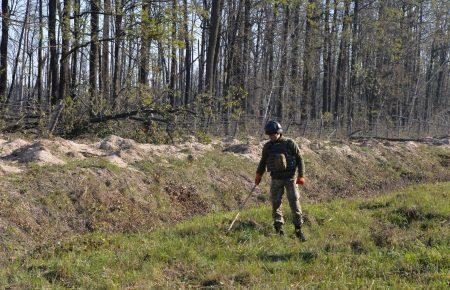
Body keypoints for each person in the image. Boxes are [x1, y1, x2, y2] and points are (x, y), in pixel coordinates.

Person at [255, 120, 306, 241]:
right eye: (270, 135)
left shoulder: (289, 143)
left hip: (290, 178)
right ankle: (279, 229)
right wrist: (258, 175)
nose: (272, 136)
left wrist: (301, 175)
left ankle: (298, 229)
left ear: (279, 132)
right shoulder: (268, 146)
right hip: (276, 179)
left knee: (294, 202)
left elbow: (300, 159)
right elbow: (263, 161)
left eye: (274, 134)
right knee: (276, 203)